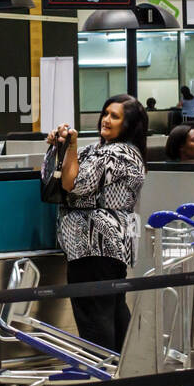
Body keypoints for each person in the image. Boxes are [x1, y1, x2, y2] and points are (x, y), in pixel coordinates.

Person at [47, 95, 147, 352]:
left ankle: (102, 382)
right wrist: (59, 146)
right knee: (111, 311)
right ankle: (122, 375)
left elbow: (73, 183)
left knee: (95, 316)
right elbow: (59, 172)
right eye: (105, 113)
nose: (106, 119)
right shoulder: (99, 149)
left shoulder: (119, 153)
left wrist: (70, 149)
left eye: (115, 116)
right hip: (96, 246)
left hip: (95, 244)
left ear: (130, 125)